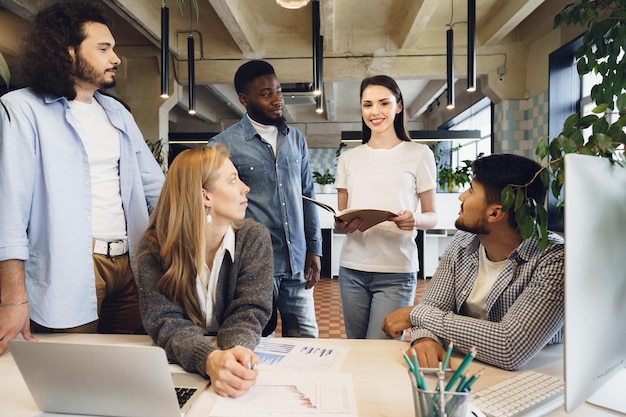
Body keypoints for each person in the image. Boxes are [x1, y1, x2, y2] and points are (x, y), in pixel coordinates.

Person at [0, 0, 164, 354]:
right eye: (103, 48)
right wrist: (12, 300)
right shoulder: (20, 110)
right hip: (71, 266)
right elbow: (9, 211)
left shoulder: (116, 112)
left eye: (113, 48)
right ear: (67, 51)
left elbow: (157, 188)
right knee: (73, 375)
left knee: (131, 367)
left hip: (132, 264)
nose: (115, 57)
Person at [382, 153, 565, 371]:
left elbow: (509, 347)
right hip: (466, 365)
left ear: (495, 212)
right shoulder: (463, 240)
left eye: (470, 190)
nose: (461, 197)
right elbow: (433, 306)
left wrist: (414, 314)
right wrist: (425, 339)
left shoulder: (554, 259)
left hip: (534, 375)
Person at [136, 145, 273, 398]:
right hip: (179, 366)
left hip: (232, 360)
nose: (245, 187)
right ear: (205, 197)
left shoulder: (253, 238)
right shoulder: (155, 245)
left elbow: (249, 311)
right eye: (233, 181)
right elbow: (165, 322)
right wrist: (209, 359)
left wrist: (234, 355)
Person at [209, 60, 322, 338]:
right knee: (257, 338)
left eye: (278, 91)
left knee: (306, 337)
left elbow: (308, 195)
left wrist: (315, 248)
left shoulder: (295, 139)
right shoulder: (223, 145)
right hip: (254, 264)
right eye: (266, 94)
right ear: (244, 100)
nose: (277, 100)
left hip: (296, 262)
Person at [334, 75, 438, 339]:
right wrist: (342, 225)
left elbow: (432, 216)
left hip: (396, 272)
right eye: (367, 105)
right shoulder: (348, 159)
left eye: (383, 103)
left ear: (399, 106)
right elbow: (341, 218)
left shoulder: (419, 154)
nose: (375, 112)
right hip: (352, 270)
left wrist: (414, 218)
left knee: (381, 350)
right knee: (357, 351)